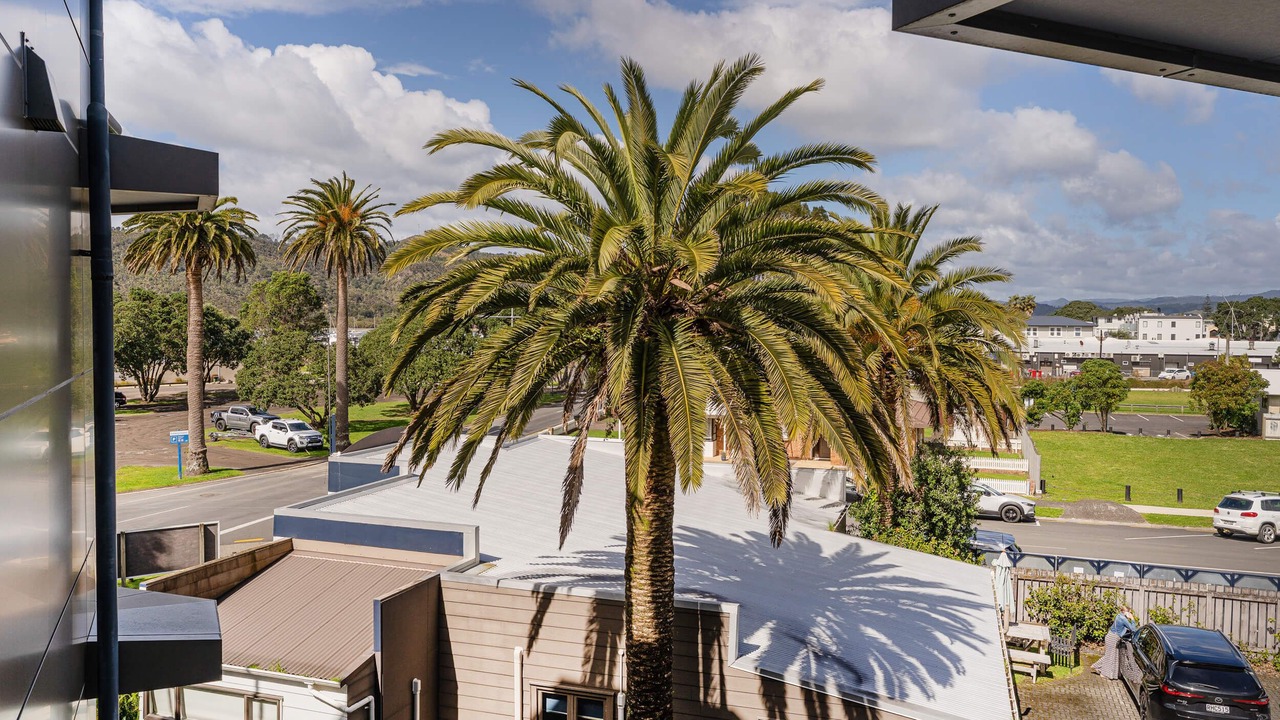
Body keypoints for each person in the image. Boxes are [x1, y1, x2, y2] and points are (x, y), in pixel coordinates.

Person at [1092, 606, 1137, 679]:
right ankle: (1104, 673)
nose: (1130, 614)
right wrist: (1132, 619)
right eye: (1130, 612)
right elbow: (1133, 629)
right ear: (1126, 612)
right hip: (1113, 638)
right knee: (1111, 656)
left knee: (1111, 655)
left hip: (1111, 636)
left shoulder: (1119, 616)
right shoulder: (1123, 619)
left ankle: (1097, 667)